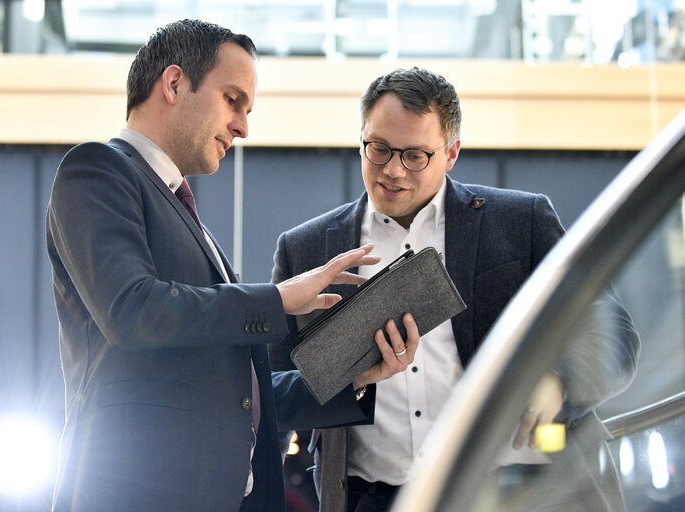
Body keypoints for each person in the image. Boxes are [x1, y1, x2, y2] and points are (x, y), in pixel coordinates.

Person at [45, 20, 420, 512]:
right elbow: (133, 310)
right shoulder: (97, 170)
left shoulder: (186, 215)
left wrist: (354, 374)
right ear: (174, 83)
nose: (243, 126)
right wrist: (281, 298)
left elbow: (244, 398)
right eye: (232, 100)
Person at [268, 67, 640, 512]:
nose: (392, 170)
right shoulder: (306, 249)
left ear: (451, 153)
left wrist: (559, 383)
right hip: (374, 498)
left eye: (415, 156)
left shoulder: (520, 221)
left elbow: (612, 332)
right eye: (379, 149)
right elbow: (271, 390)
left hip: (523, 491)